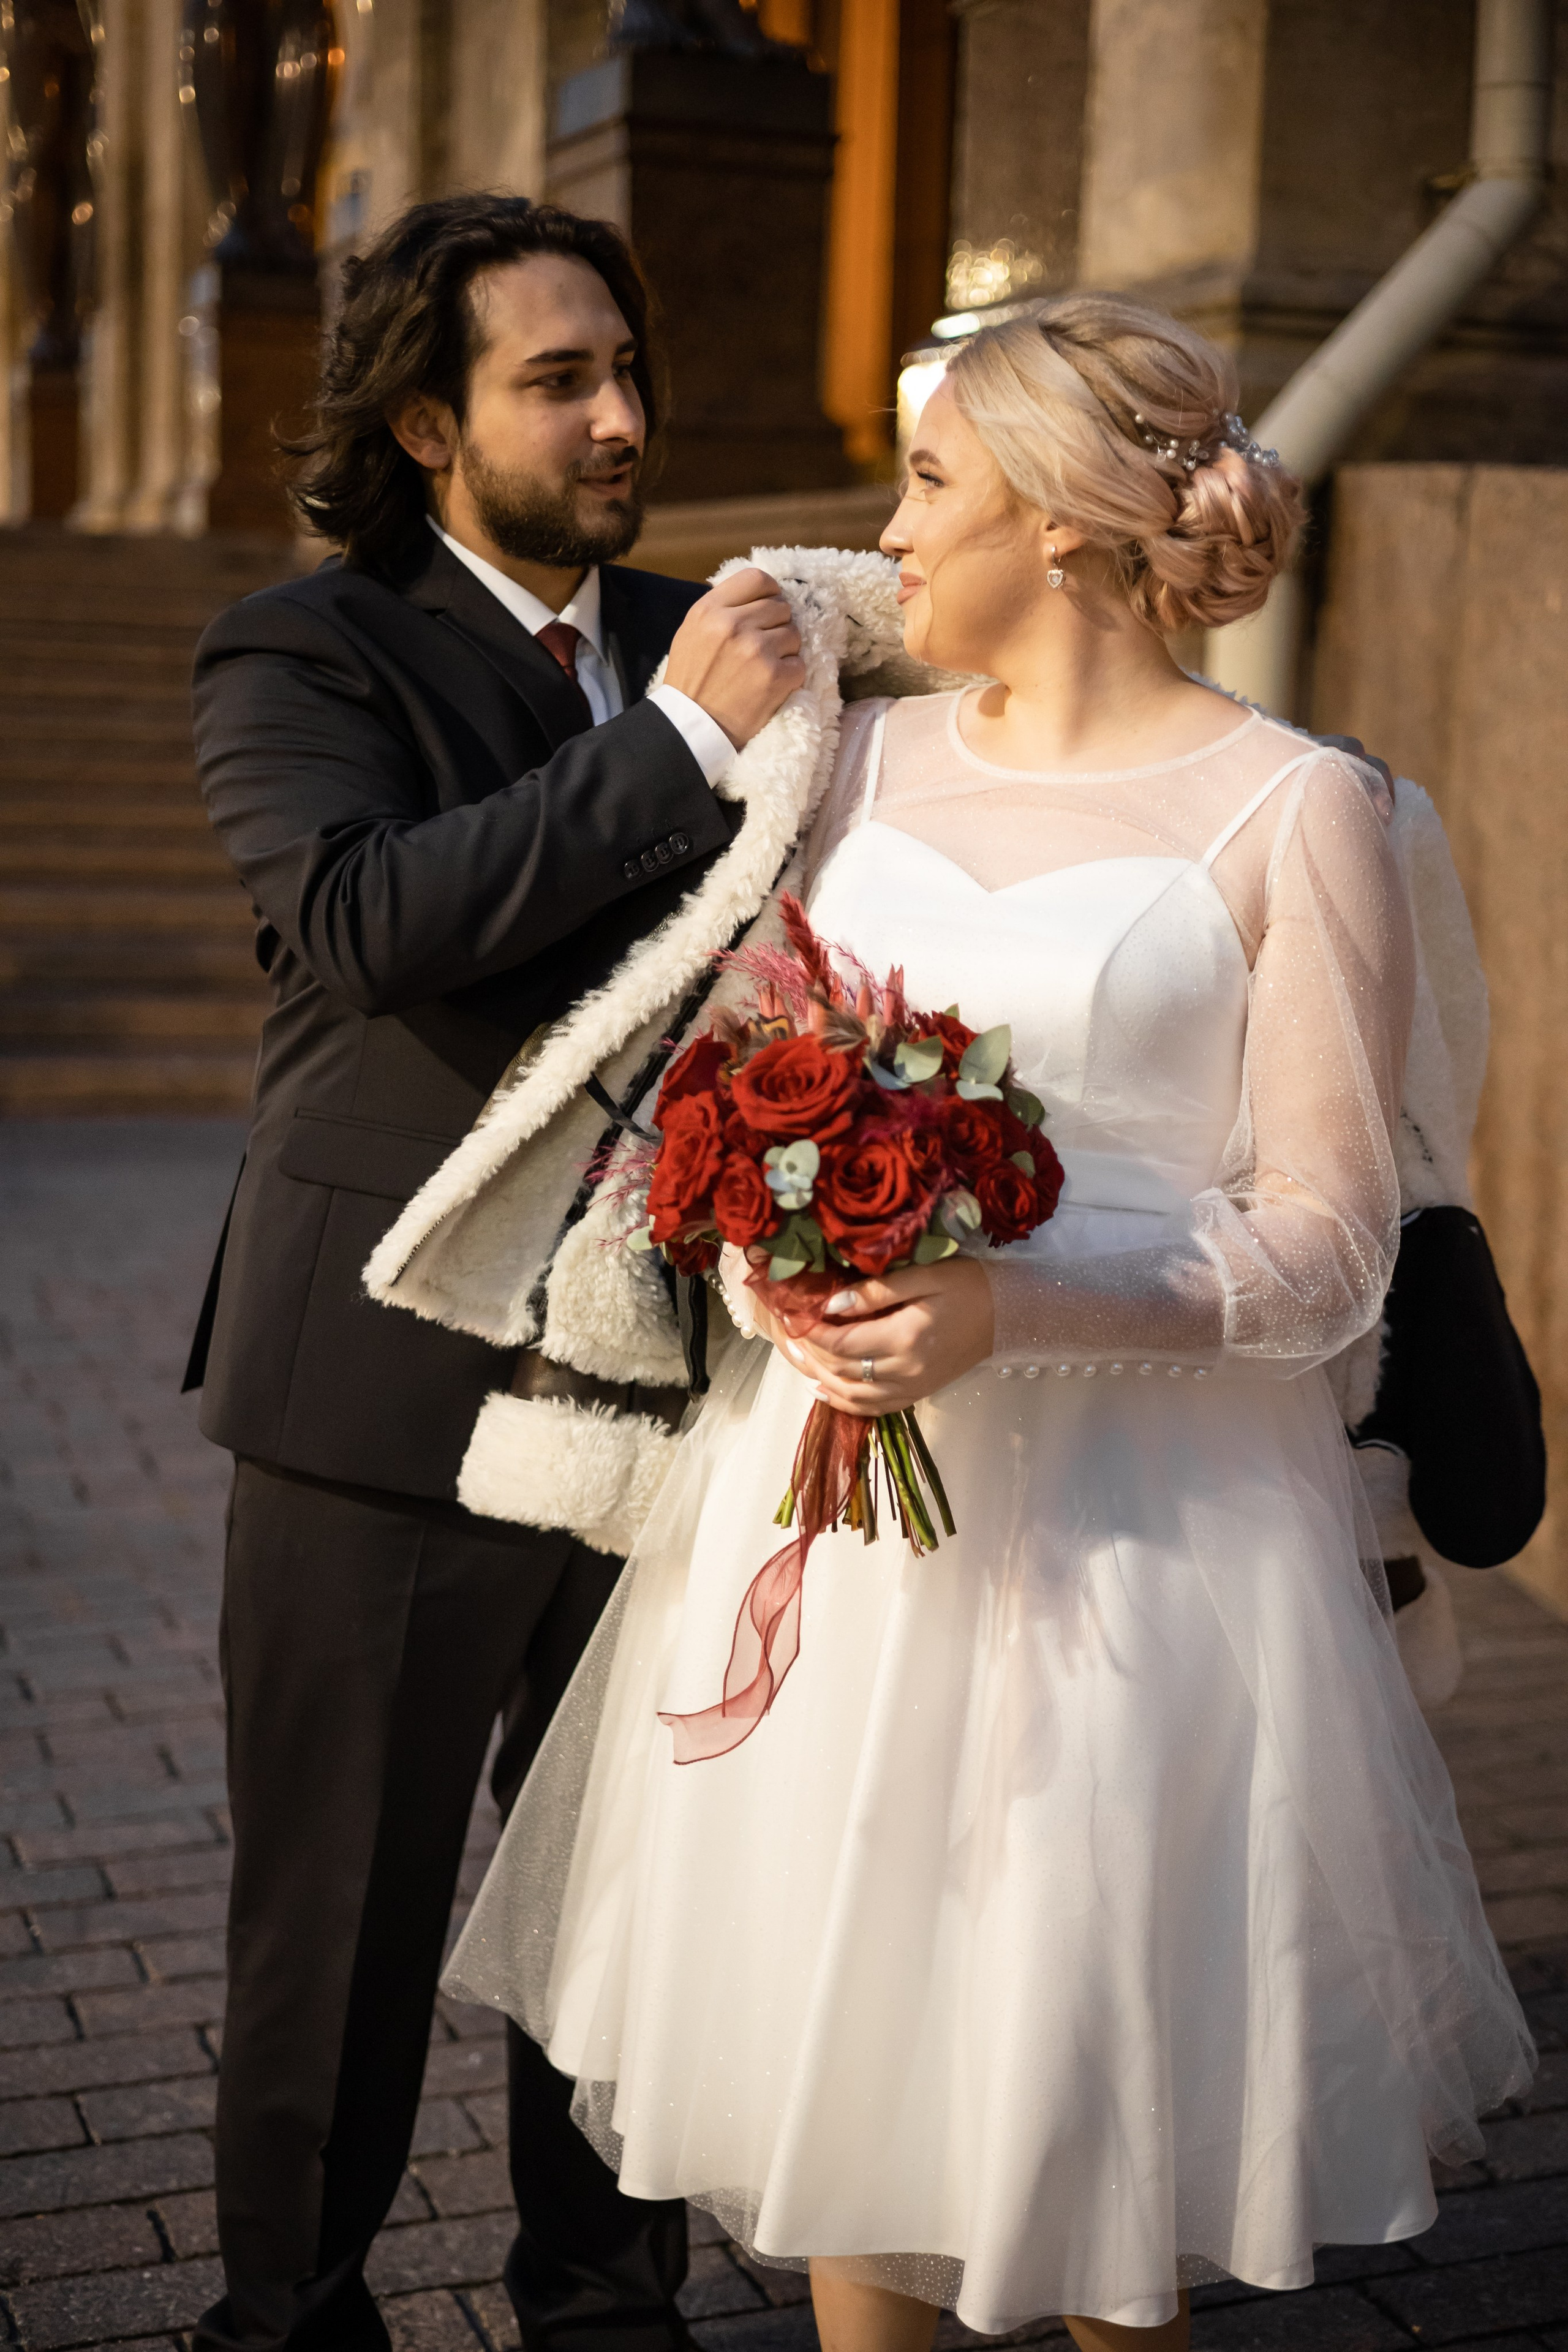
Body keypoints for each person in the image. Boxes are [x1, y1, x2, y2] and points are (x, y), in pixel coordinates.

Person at [435, 296, 1536, 2349]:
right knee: (857, 2059)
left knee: (1109, 2078)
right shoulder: (848, 765)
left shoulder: (1305, 812)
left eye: (931, 479)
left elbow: (1325, 1244)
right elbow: (741, 1079)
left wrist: (1006, 1309)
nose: (894, 526)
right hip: (833, 1523)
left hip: (1160, 1540)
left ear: (1066, 515)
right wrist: (773, 1253)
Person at [183, 192, 804, 2352]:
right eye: (562, 382)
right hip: (386, 1400)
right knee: (339, 1933)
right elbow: (365, 918)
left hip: (674, 1384)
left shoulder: (710, 621)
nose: (623, 415)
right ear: (430, 424)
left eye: (630, 368)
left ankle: (607, 2309)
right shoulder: (300, 649)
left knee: (626, 1908)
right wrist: (680, 755)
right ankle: (286, 2317)